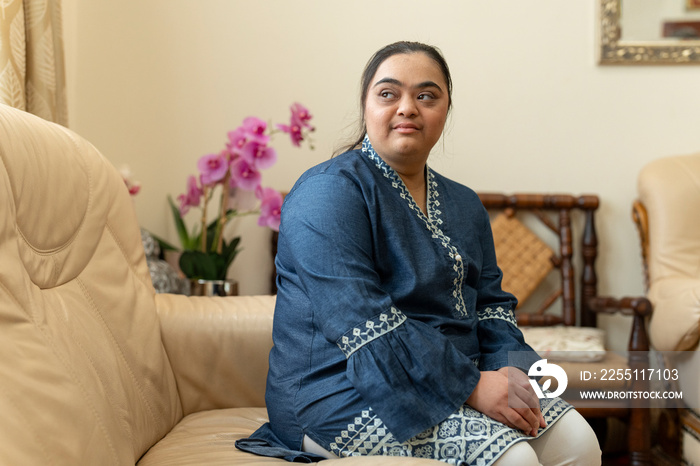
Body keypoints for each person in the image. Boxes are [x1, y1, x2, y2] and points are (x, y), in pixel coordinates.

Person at [236, 41, 601, 465]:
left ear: (446, 109)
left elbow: (493, 307)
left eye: (426, 96)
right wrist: (474, 387)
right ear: (366, 106)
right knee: (514, 458)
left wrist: (512, 373)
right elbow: (362, 319)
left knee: (579, 441)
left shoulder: (464, 203)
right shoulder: (327, 193)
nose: (407, 107)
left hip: (466, 378)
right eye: (388, 94)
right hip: (340, 392)